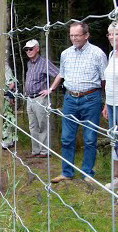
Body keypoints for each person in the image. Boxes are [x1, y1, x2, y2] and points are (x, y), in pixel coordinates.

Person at [43, 22, 108, 183]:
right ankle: (67, 172)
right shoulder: (66, 54)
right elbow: (61, 74)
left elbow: (105, 80)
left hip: (91, 99)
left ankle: (87, 173)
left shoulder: (98, 54)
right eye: (71, 35)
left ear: (86, 35)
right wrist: (51, 89)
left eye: (77, 35)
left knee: (90, 138)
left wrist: (106, 101)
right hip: (70, 99)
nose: (74, 38)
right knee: (67, 138)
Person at [23, 39, 59, 158]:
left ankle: (44, 151)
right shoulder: (29, 63)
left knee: (42, 125)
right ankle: (36, 150)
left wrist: (50, 89)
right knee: (33, 126)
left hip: (40, 98)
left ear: (37, 49)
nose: (28, 51)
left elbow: (58, 74)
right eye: (26, 49)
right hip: (29, 98)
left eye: (31, 49)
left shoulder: (44, 62)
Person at [102, 21, 118, 189]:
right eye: (110, 34)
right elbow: (109, 83)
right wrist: (107, 103)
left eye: (116, 33)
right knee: (115, 141)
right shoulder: (112, 54)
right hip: (112, 104)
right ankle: (116, 177)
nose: (112, 37)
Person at [1, 62, 18, 149]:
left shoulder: (4, 66)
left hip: (4, 95)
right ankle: (7, 140)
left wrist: (2, 91)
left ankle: (7, 142)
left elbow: (11, 84)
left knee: (6, 118)